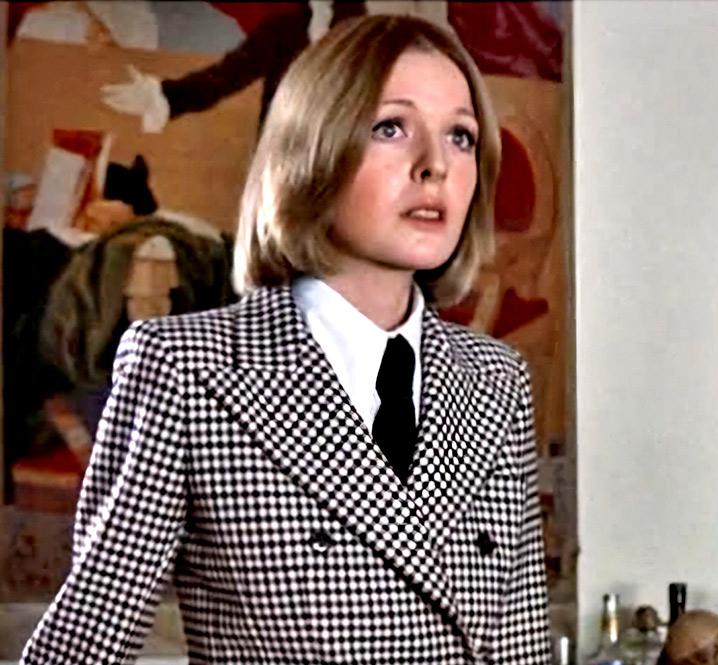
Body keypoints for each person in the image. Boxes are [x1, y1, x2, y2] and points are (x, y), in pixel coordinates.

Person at [22, 15, 550, 664]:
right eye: (391, 127)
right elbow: (83, 646)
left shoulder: (496, 378)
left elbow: (520, 644)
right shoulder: (186, 369)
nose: (435, 166)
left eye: (461, 136)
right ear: (311, 151)